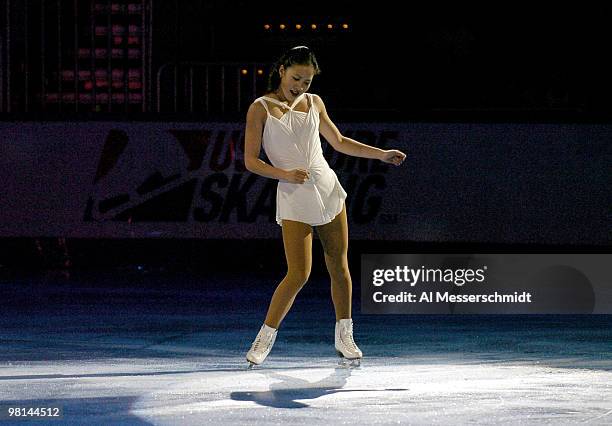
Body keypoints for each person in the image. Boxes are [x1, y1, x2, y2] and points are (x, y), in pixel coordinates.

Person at [243, 46, 406, 367]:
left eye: (307, 80)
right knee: (298, 273)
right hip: (293, 193)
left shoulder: (315, 103)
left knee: (339, 266)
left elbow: (340, 142)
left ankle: (345, 336)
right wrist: (285, 174)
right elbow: (250, 161)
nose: (301, 85)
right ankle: (264, 338)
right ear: (282, 71)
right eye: (296, 78)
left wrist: (381, 153)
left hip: (327, 187)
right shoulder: (259, 108)